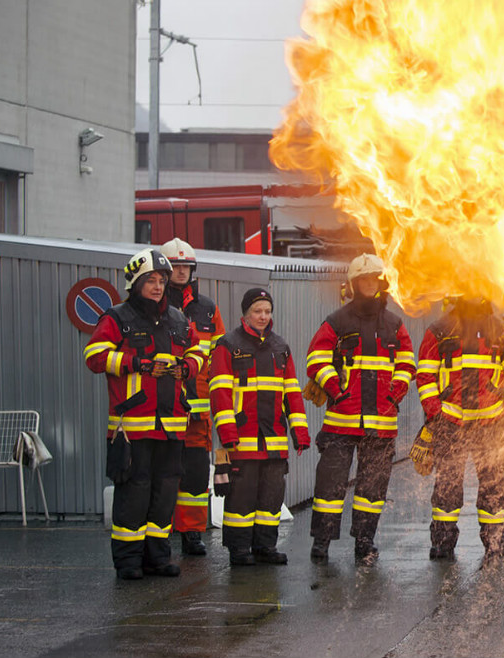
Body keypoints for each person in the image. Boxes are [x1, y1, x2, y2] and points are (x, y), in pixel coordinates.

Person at [84, 248, 207, 580]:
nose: (157, 286)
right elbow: (94, 355)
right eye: (150, 280)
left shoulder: (179, 319)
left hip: (171, 425)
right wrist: (133, 363)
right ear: (135, 283)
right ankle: (128, 561)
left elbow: (198, 352)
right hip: (132, 426)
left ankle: (158, 556)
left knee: (165, 493)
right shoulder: (117, 317)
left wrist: (187, 368)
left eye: (161, 280)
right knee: (134, 494)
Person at [305, 254, 415, 564]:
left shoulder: (394, 324)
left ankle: (364, 543)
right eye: (364, 280)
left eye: (374, 280)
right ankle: (322, 543)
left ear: (381, 283)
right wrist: (336, 391)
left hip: (381, 422)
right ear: (355, 284)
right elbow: (316, 357)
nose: (369, 284)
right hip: (341, 421)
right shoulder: (337, 321)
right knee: (330, 485)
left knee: (372, 489)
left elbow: (407, 363)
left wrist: (395, 395)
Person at [416, 296, 504, 562]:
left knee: (494, 485)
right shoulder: (440, 329)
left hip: (491, 424)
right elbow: (426, 374)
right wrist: (435, 413)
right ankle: (442, 542)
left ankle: (495, 541)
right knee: (447, 485)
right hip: (451, 423)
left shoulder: (502, 330)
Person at [208, 288, 310, 565]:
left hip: (274, 441)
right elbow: (219, 394)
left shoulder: (280, 347)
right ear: (245, 313)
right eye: (257, 311)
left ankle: (265, 547)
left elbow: (292, 393)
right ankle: (239, 550)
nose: (263, 316)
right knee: (241, 500)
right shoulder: (227, 345)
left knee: (271, 499)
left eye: (267, 311)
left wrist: (300, 433)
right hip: (241, 440)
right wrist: (228, 436)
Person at [160, 238, 226, 557]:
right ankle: (158, 533)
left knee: (196, 476)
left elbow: (221, 357)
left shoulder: (207, 309)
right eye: (176, 267)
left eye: (187, 267)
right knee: (161, 472)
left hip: (198, 412)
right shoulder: (152, 306)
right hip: (160, 407)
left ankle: (192, 533)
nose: (182, 272)